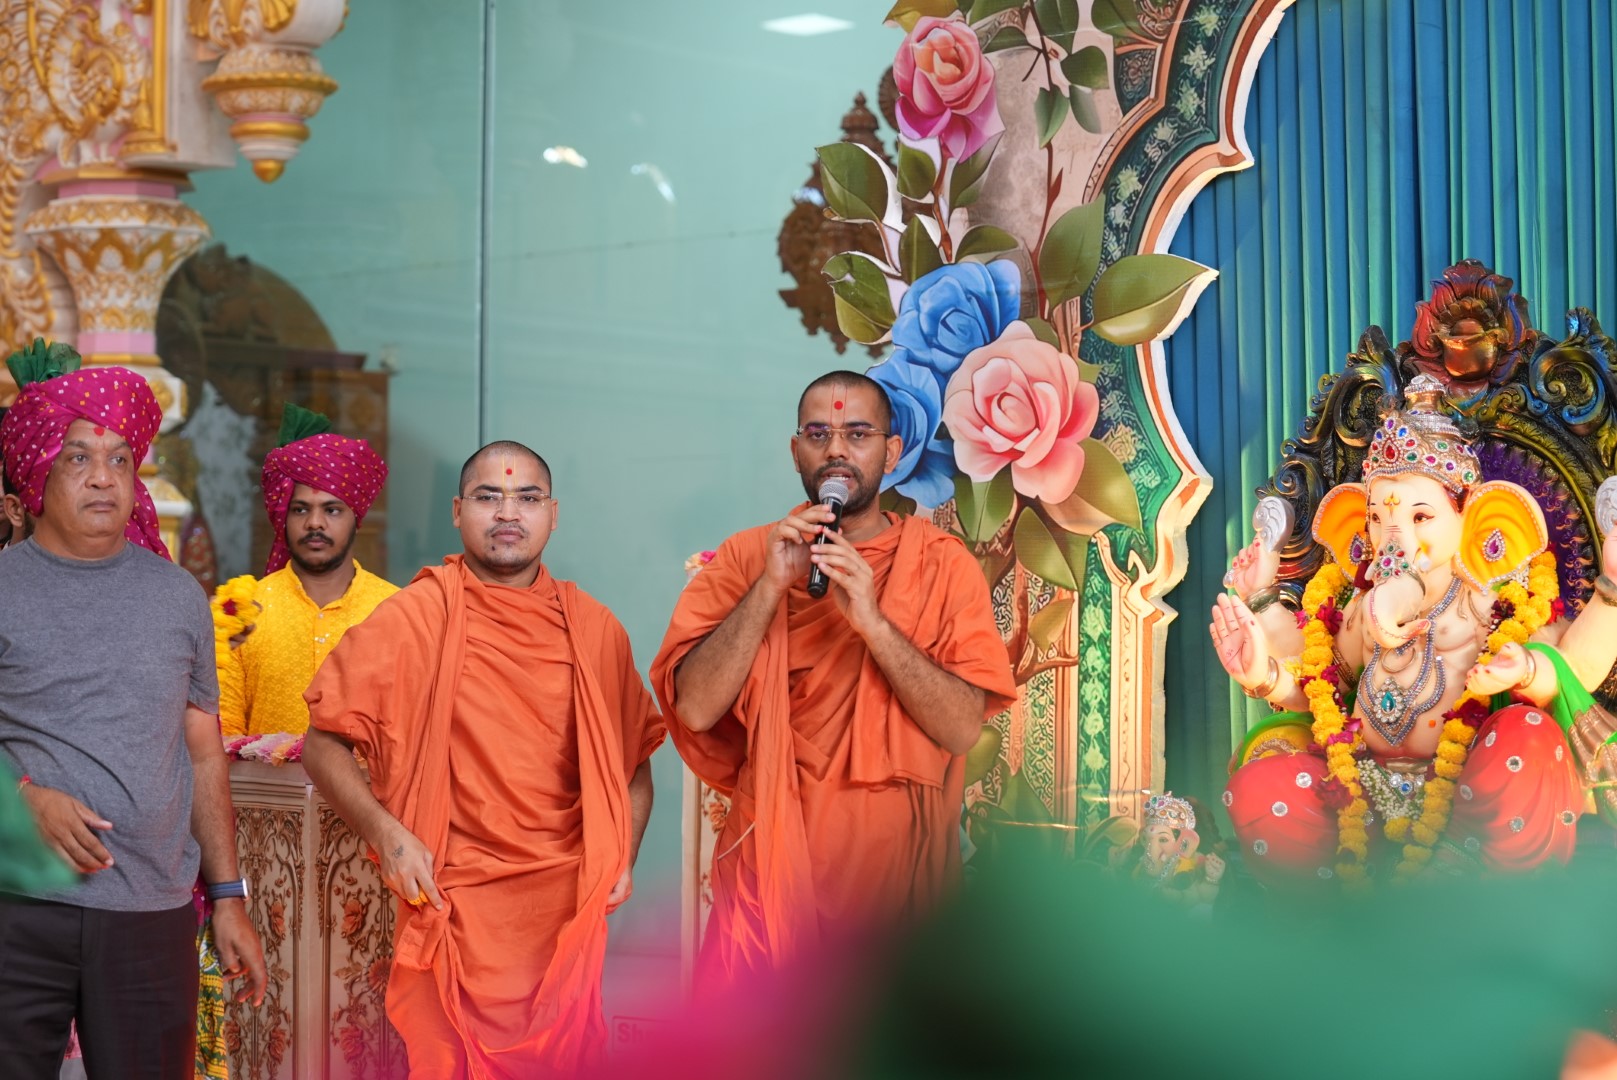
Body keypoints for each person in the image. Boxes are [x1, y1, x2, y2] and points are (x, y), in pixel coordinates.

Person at [302, 440, 664, 1077]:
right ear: (457, 510)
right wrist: (386, 835)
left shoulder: (594, 629)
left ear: (553, 514)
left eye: (527, 498)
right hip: (451, 903)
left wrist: (623, 854)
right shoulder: (415, 618)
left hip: (564, 913)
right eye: (488, 496)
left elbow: (634, 761)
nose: (507, 513)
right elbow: (321, 743)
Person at [652, 370, 1015, 983]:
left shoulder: (941, 566)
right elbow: (693, 708)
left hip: (892, 882)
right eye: (818, 434)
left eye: (857, 433)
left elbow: (960, 730)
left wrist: (873, 623)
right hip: (768, 868)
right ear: (796, 451)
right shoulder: (748, 557)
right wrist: (770, 586)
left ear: (891, 453)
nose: (837, 450)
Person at [0, 343, 266, 1078]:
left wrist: (228, 896)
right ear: (38, 471)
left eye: (120, 460)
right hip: (18, 904)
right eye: (78, 458)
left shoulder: (177, 595)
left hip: (151, 912)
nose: (103, 477)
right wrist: (23, 800)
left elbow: (203, 752)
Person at [218, 403, 393, 737]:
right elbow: (221, 737)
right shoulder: (243, 611)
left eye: (332, 510)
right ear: (283, 517)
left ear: (356, 518)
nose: (315, 523)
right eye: (300, 510)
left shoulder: (394, 609)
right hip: (256, 775)